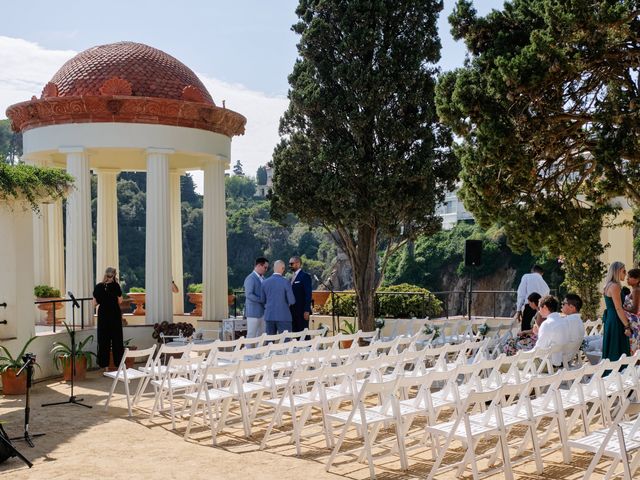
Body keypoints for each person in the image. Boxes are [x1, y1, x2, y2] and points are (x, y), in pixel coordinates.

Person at [93, 267, 124, 370]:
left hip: (103, 315)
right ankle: (118, 364)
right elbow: (120, 301)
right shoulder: (116, 286)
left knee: (103, 339)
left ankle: (104, 365)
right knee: (117, 339)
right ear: (114, 275)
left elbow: (94, 303)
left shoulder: (98, 287)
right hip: (114, 314)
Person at [602, 261, 631, 362]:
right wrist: (627, 325)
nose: (626, 274)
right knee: (617, 349)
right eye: (624, 271)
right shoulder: (615, 286)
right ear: (618, 271)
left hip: (611, 319)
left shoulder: (608, 285)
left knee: (612, 349)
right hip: (616, 320)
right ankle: (618, 374)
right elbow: (618, 308)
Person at [260, 260, 295, 334]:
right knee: (286, 342)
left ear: (273, 268)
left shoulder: (264, 282)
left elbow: (262, 300)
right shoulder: (286, 282)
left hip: (269, 316)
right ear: (283, 268)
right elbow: (292, 301)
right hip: (284, 316)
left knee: (269, 342)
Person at [534, 295, 568, 367]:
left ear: (545, 307)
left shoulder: (547, 324)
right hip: (562, 362)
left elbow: (538, 349)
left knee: (506, 365)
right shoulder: (564, 322)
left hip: (546, 364)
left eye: (539, 308)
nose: (539, 311)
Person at [515, 265, 550, 331]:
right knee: (537, 329)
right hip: (541, 309)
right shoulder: (545, 285)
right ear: (542, 273)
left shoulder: (526, 277)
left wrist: (518, 310)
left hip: (529, 307)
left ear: (532, 271)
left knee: (525, 330)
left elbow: (521, 293)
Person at [243, 257, 269, 338]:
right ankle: (248, 351)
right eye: (265, 267)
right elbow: (249, 294)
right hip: (253, 313)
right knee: (251, 335)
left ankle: (260, 351)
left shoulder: (264, 279)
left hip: (263, 313)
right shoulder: (250, 278)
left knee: (262, 336)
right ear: (258, 266)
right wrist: (262, 299)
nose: (266, 269)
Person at [288, 256, 312, 332]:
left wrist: (307, 310)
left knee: (303, 334)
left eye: (291, 263)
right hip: (292, 311)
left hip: (302, 311)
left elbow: (308, 294)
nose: (290, 265)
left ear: (298, 264)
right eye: (289, 264)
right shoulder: (291, 277)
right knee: (295, 333)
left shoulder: (305, 276)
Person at [623, 268, 640, 354]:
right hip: (633, 323)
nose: (627, 279)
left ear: (637, 279)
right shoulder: (634, 290)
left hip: (636, 324)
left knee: (635, 349)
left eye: (629, 277)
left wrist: (621, 308)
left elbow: (635, 309)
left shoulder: (636, 290)